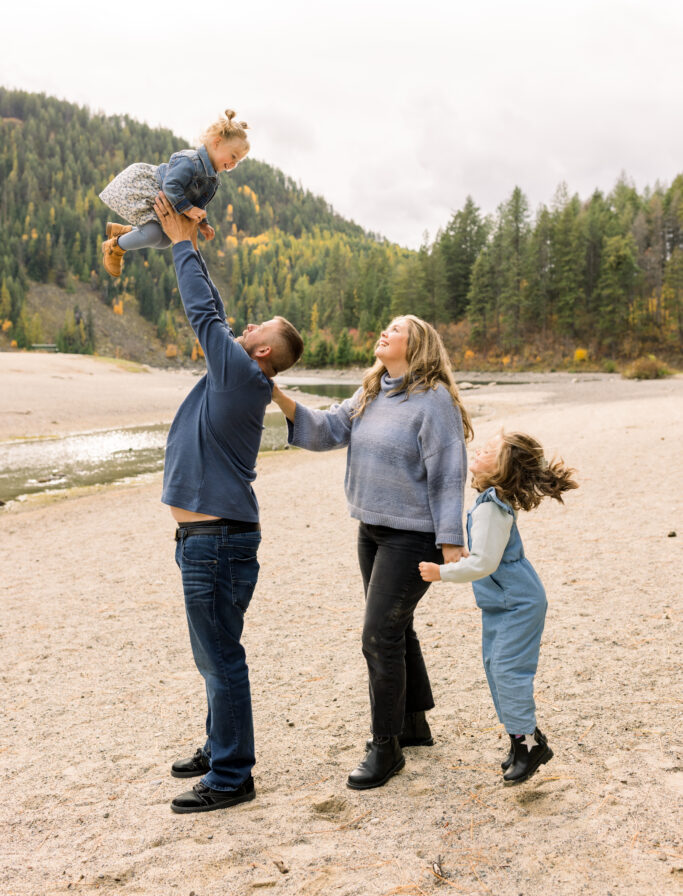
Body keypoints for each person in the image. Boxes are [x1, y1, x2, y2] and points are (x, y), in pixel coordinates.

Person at [270, 316, 473, 790]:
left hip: (412, 535)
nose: (384, 332)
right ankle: (413, 724)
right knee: (395, 629)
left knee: (378, 636)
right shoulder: (372, 392)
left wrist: (451, 540)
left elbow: (448, 471)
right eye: (383, 327)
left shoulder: (434, 401)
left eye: (395, 329)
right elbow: (324, 430)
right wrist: (276, 394)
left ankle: (386, 747)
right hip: (372, 530)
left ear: (416, 344)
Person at [152, 191, 303, 814]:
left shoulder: (241, 373)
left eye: (255, 331)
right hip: (208, 537)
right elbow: (215, 313)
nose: (244, 329)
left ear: (263, 352)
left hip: (216, 539)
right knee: (211, 650)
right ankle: (220, 746)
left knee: (220, 655)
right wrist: (193, 238)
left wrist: (182, 243)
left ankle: (232, 775)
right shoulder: (240, 374)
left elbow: (203, 314)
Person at [419, 431, 578, 784]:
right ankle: (520, 740)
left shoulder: (492, 506)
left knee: (508, 672)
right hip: (501, 604)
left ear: (503, 466)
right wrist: (467, 554)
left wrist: (441, 572)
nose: (479, 449)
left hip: (517, 604)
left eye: (490, 450)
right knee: (496, 669)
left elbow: (485, 565)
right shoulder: (488, 501)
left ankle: (529, 745)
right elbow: (485, 555)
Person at [99, 109, 250, 278]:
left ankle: (125, 232)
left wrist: (202, 223)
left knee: (165, 240)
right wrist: (187, 210)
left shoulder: (212, 178)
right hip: (148, 189)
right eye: (233, 156)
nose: (233, 164)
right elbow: (171, 186)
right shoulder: (190, 161)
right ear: (217, 142)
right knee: (153, 234)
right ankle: (114, 247)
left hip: (166, 201)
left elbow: (198, 204)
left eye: (238, 161)